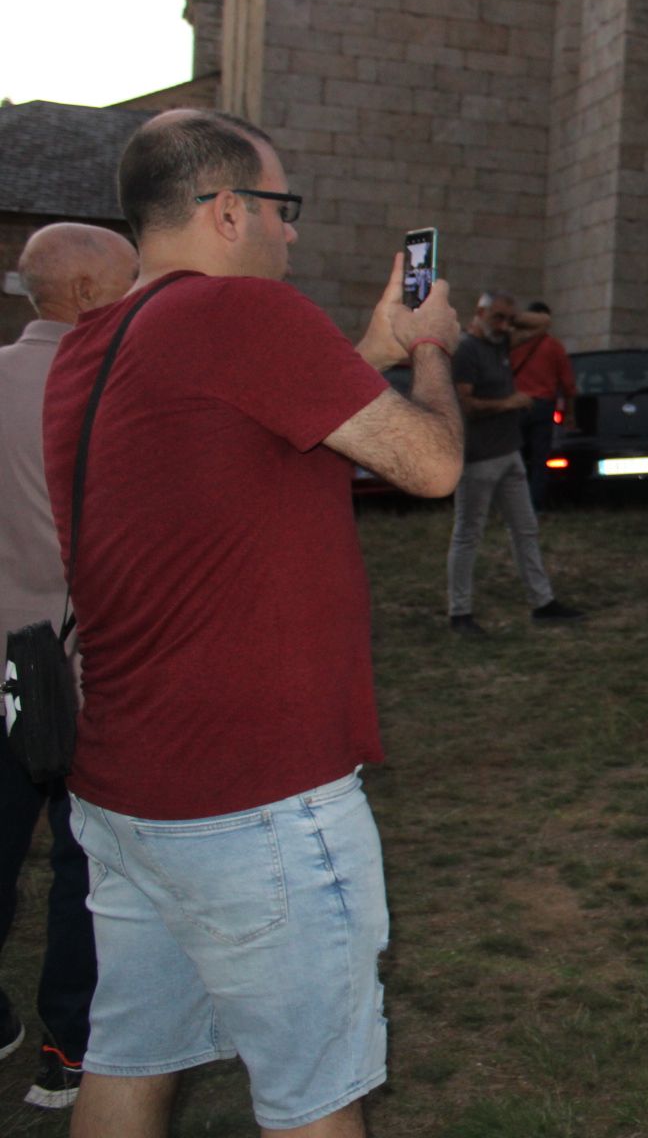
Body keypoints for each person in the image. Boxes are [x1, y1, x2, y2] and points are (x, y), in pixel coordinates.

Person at [39, 108, 466, 1136]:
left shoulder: (96, 345)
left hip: (131, 789)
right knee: (316, 1098)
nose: (294, 233)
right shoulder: (242, 318)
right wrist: (434, 356)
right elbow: (433, 464)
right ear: (229, 210)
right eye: (285, 208)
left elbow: (268, 438)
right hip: (253, 799)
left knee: (130, 1058)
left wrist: (372, 343)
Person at [0, 224, 137, 1109]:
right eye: (130, 285)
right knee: (87, 875)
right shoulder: (120, 391)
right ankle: (70, 1046)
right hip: (91, 674)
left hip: (1, 670)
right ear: (88, 293)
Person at [447, 292, 585, 635]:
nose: (505, 326)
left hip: (509, 453)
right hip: (479, 458)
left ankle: (543, 602)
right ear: (479, 313)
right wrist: (509, 403)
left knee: (526, 529)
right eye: (497, 318)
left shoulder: (500, 342)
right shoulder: (467, 351)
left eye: (508, 319)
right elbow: (466, 404)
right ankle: (459, 612)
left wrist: (507, 319)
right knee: (468, 533)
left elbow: (543, 323)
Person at [508, 300, 576, 510]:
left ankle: (512, 504)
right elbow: (568, 384)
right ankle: (534, 506)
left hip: (514, 406)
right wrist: (570, 415)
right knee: (540, 461)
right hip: (543, 407)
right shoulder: (554, 347)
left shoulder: (513, 344)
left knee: (514, 459)